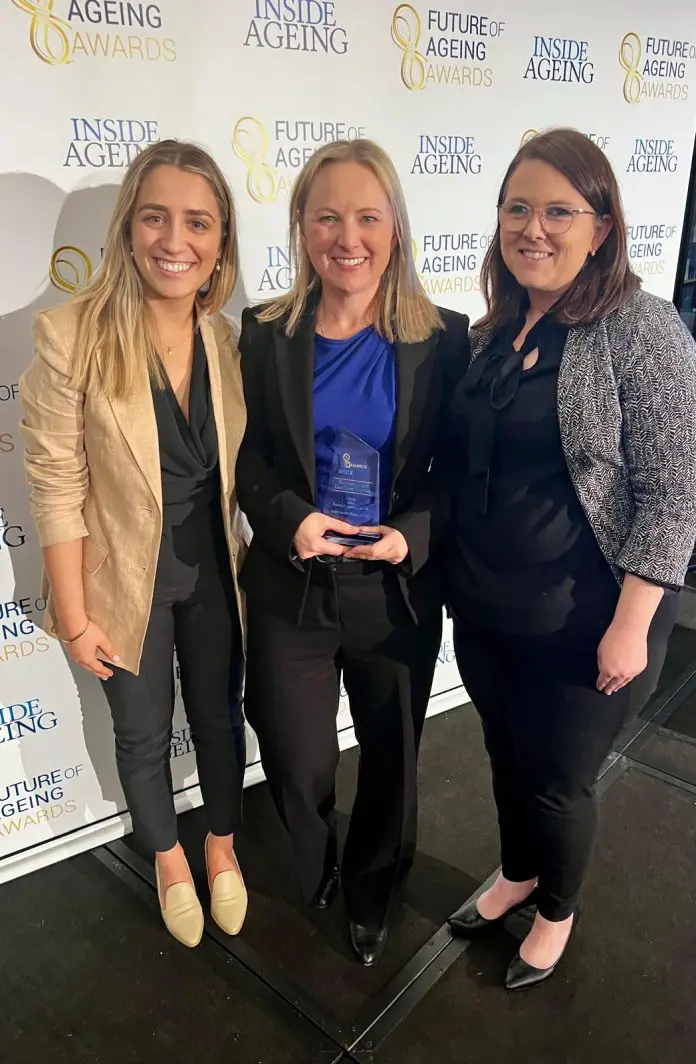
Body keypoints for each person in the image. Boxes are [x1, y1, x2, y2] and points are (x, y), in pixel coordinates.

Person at [444, 128, 696, 990]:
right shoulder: (492, 331)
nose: (534, 228)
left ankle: (557, 908)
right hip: (485, 608)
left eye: (559, 210)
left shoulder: (640, 328)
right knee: (504, 759)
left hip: (587, 616)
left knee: (557, 781)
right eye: (518, 208)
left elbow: (675, 490)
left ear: (602, 226)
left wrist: (632, 626)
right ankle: (518, 873)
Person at [236, 137, 469, 966]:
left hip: (391, 588)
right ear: (300, 227)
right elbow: (247, 459)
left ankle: (374, 886)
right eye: (327, 216)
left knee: (393, 756)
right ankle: (317, 866)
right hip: (291, 586)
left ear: (396, 229)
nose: (348, 237)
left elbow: (458, 471)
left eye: (368, 217)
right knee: (296, 756)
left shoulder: (445, 340)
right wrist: (287, 514)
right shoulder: (264, 334)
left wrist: (413, 533)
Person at [19, 140, 249, 949]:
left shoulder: (229, 340)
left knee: (221, 721)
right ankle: (168, 859)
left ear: (220, 242)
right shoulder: (68, 334)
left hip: (217, 575)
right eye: (156, 217)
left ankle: (219, 844)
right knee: (143, 732)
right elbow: (53, 481)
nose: (174, 240)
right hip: (123, 585)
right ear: (127, 228)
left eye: (197, 222)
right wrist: (75, 617)